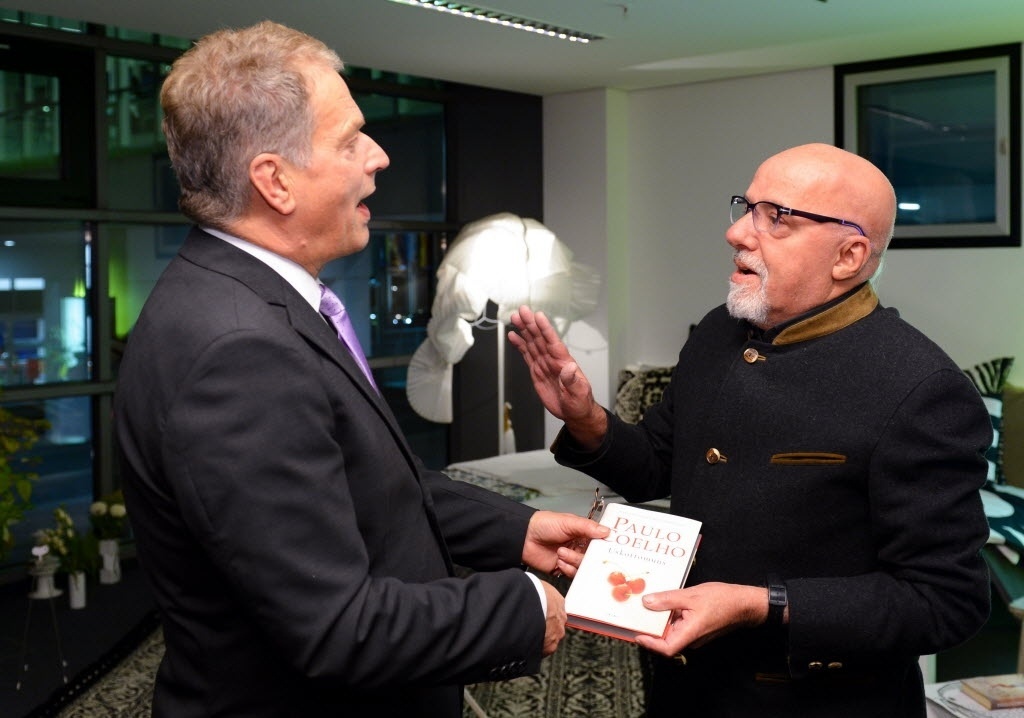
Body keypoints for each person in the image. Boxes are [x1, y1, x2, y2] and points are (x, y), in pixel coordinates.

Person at [114, 21, 607, 718]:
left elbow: (368, 484)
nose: (377, 156)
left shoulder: (243, 300)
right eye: (349, 140)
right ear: (275, 181)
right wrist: (521, 607)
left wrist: (515, 532)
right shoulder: (238, 351)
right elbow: (337, 628)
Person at [509, 143, 992, 718]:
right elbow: (657, 465)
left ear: (849, 255)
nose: (737, 232)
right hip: (685, 692)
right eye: (747, 206)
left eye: (778, 217)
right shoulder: (720, 331)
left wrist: (766, 604)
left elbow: (946, 601)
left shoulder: (919, 386)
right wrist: (586, 419)